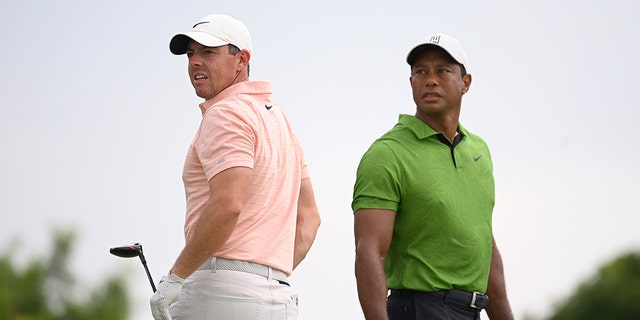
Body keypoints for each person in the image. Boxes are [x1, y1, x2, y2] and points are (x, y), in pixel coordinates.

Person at [149, 14, 321, 320]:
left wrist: (176, 278)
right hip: (279, 299)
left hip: (217, 291)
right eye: (191, 54)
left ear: (241, 60)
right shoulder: (280, 121)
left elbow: (228, 204)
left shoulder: (225, 113)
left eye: (208, 52)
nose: (195, 62)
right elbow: (310, 219)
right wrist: (263, 278)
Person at [351, 34, 514, 320]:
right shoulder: (387, 154)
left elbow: (484, 244)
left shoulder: (479, 152)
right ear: (411, 82)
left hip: (471, 310)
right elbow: (369, 251)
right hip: (418, 309)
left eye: (442, 70)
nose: (430, 80)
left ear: (466, 83)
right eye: (420, 72)